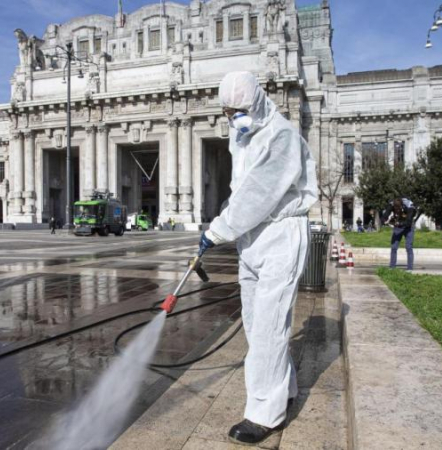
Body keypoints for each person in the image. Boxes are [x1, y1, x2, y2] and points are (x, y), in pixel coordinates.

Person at [198, 71, 318, 445]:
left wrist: (216, 230)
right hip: (252, 239)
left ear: (258, 102)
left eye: (239, 110)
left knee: (269, 327)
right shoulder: (243, 135)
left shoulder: (280, 135)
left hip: (280, 235)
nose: (233, 118)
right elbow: (240, 189)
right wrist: (229, 218)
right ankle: (286, 389)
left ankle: (264, 415)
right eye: (228, 112)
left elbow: (258, 194)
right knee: (256, 324)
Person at [382, 198, 416, 271]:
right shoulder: (391, 204)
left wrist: (399, 223)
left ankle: (410, 268)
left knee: (408, 247)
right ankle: (392, 267)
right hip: (398, 227)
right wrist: (384, 220)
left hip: (409, 227)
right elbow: (386, 214)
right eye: (395, 209)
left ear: (402, 206)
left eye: (398, 209)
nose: (397, 210)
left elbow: (409, 221)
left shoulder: (409, 207)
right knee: (394, 247)